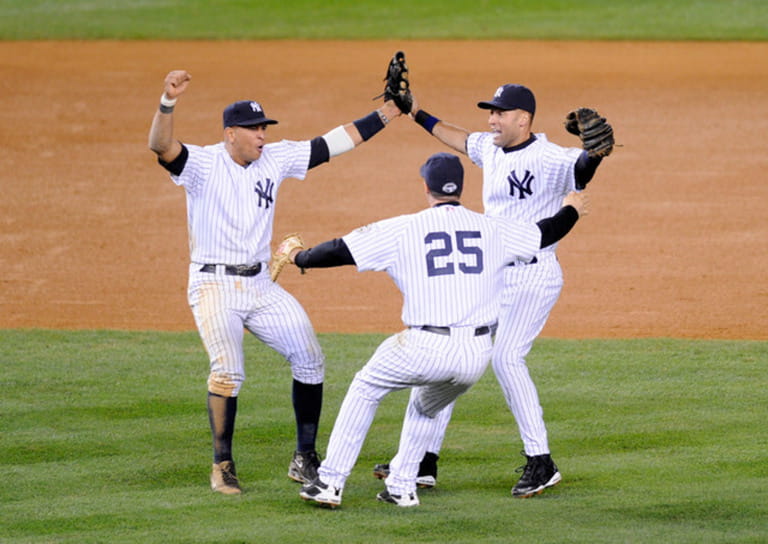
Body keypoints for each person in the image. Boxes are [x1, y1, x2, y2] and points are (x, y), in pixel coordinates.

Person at [277, 152, 588, 508]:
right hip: (475, 356)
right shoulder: (494, 227)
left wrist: (298, 256)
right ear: (460, 188)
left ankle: (330, 482)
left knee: (366, 387)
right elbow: (546, 232)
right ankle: (402, 486)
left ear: (426, 187)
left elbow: (339, 250)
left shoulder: (405, 226)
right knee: (427, 407)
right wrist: (573, 207)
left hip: (424, 345)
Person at [147, 69, 403, 495]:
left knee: (310, 358)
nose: (262, 135)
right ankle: (222, 464)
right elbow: (160, 145)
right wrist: (168, 101)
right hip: (214, 286)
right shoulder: (202, 164)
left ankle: (305, 457)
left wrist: (388, 112)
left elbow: (330, 145)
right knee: (228, 372)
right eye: (254, 129)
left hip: (262, 285)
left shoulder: (275, 158)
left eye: (264, 127)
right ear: (231, 134)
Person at [374, 82, 609, 498]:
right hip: (494, 275)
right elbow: (457, 137)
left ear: (524, 119)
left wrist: (594, 154)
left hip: (534, 276)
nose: (492, 119)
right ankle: (423, 459)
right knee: (453, 349)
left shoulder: (551, 156)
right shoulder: (490, 148)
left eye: (500, 113)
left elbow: (582, 169)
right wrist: (416, 112)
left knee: (505, 358)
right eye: (490, 112)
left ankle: (542, 461)